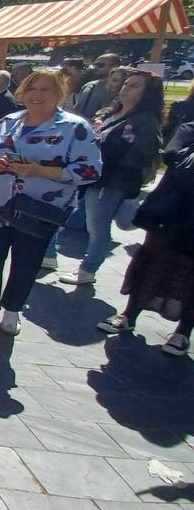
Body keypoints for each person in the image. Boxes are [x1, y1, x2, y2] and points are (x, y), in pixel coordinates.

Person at [0, 70, 102, 336]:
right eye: (32, 89)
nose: (37, 95)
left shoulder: (74, 128)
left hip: (38, 209)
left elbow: (91, 170)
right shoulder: (8, 121)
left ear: (59, 94)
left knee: (26, 261)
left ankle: (11, 311)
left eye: (46, 89)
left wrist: (41, 171)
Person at [97, 119, 194, 355]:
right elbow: (173, 157)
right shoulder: (189, 128)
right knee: (151, 260)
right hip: (171, 210)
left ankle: (183, 332)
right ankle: (129, 315)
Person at [60, 70, 163, 285]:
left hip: (111, 180)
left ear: (148, 93)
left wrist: (111, 154)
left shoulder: (145, 121)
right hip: (92, 176)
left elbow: (144, 153)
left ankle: (87, 269)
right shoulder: (111, 113)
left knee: (97, 226)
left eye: (134, 85)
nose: (126, 87)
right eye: (126, 83)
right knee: (90, 221)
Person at [72, 53, 121, 119]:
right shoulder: (87, 86)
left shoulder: (120, 88)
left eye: (100, 65)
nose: (96, 68)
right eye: (94, 65)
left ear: (115, 66)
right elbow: (76, 110)